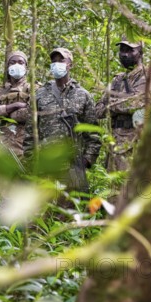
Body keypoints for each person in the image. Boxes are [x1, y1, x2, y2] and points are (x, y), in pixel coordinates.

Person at [23, 47, 100, 193]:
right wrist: (32, 162)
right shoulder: (39, 96)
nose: (56, 64)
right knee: (45, 213)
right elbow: (29, 134)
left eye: (61, 60)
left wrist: (87, 160)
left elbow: (93, 133)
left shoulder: (83, 95)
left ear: (70, 64)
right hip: (45, 168)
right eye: (53, 61)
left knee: (70, 212)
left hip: (72, 167)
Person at [96, 38, 151, 171]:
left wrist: (111, 104)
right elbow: (98, 110)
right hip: (115, 143)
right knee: (114, 188)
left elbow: (136, 104)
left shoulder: (149, 76)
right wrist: (120, 104)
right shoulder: (118, 80)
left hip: (137, 142)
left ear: (140, 52)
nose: (124, 54)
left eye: (130, 50)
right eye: (122, 50)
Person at [0, 50, 30, 159]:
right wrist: (14, 106)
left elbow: (34, 113)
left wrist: (7, 114)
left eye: (20, 62)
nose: (16, 65)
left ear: (26, 67)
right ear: (7, 67)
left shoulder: (34, 89)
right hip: (3, 146)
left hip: (27, 145)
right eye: (12, 62)